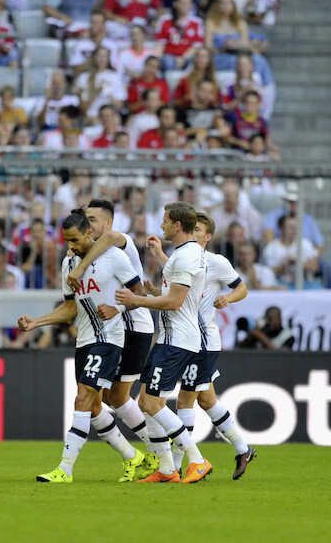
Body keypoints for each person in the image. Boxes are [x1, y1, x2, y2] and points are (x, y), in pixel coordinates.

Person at [18, 208, 154, 483]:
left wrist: (117, 307)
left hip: (108, 340)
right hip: (85, 340)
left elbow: (139, 293)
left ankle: (65, 469)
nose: (71, 246)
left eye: (75, 240)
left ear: (89, 233)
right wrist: (38, 322)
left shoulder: (114, 257)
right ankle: (133, 457)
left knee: (83, 397)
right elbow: (70, 309)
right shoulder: (68, 265)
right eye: (67, 241)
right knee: (92, 407)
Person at [145, 211, 255, 479]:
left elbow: (242, 288)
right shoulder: (187, 259)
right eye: (191, 229)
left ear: (207, 236)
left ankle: (182, 464)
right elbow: (178, 287)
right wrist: (160, 258)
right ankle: (242, 448)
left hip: (203, 341)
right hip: (189, 337)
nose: (193, 234)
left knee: (184, 400)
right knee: (206, 399)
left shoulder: (216, 262)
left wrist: (228, 298)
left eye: (198, 231)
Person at [115, 201, 213, 484]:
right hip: (171, 337)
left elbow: (174, 301)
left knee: (155, 403)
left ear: (177, 225)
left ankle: (197, 460)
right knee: (145, 401)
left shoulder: (186, 256)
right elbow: (177, 288)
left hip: (177, 339)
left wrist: (138, 300)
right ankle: (167, 470)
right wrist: (158, 255)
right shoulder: (185, 254)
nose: (161, 225)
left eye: (165, 221)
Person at [63, 200, 158, 472]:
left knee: (112, 397)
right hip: (111, 327)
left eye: (93, 219)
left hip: (134, 324)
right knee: (98, 399)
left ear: (107, 224)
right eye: (86, 220)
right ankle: (142, 454)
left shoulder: (119, 243)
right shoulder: (77, 256)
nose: (89, 224)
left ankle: (157, 451)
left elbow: (113, 239)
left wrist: (80, 268)